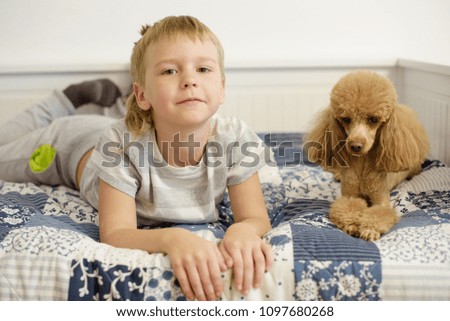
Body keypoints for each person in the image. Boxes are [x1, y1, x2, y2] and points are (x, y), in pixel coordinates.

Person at [0, 15, 273, 301]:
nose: (190, 80)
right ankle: (67, 100)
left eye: (203, 68)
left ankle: (108, 102)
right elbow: (116, 233)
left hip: (122, 126)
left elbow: (255, 218)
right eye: (169, 71)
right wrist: (172, 238)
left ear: (222, 89)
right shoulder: (119, 145)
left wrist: (243, 232)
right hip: (71, 146)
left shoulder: (235, 138)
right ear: (142, 95)